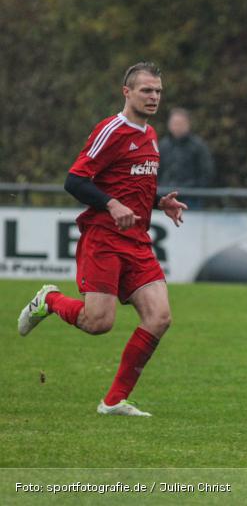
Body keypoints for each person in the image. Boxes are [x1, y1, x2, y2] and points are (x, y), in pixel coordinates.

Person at [17, 62, 188, 417]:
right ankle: (49, 299)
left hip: (137, 241)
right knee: (99, 323)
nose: (154, 97)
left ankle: (113, 401)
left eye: (158, 91)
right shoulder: (112, 130)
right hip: (104, 238)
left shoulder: (151, 134)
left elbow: (133, 185)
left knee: (160, 317)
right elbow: (74, 181)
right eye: (146, 90)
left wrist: (160, 202)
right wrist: (110, 204)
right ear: (127, 92)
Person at [158, 107, 215, 209]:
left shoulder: (198, 146)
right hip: (165, 197)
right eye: (174, 123)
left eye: (180, 123)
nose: (177, 126)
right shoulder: (163, 146)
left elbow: (206, 172)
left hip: (191, 199)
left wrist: (194, 190)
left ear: (188, 124)